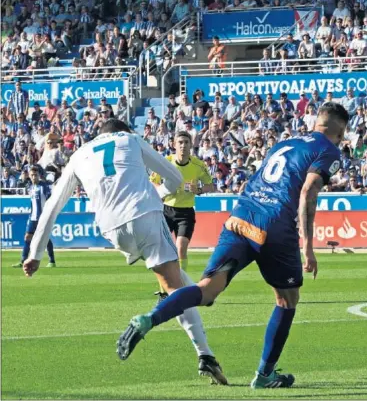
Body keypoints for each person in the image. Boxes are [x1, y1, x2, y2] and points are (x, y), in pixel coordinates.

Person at [117, 103, 349, 389]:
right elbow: (308, 192)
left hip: (241, 215)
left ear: (317, 122)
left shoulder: (285, 143)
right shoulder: (329, 150)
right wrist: (308, 247)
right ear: (340, 131)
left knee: (206, 290)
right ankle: (265, 374)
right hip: (275, 224)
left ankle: (149, 319)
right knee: (287, 300)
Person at [22, 119, 227, 386]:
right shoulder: (130, 139)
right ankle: (199, 348)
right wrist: (157, 194)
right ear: (123, 131)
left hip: (111, 230)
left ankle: (206, 352)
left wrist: (35, 253)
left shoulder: (78, 155)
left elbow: (52, 206)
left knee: (174, 283)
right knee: (176, 289)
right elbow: (174, 179)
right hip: (145, 214)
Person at [150, 131, 214, 301]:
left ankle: (181, 287)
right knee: (162, 250)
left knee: (180, 247)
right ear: (174, 144)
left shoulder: (198, 165)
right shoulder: (166, 162)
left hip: (186, 211)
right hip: (167, 210)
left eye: (186, 142)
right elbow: (153, 181)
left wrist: (198, 190)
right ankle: (164, 291)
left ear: (190, 145)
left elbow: (211, 185)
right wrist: (162, 190)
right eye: (180, 142)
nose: (183, 145)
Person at [11, 166, 56, 268]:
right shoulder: (30, 187)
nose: (33, 177)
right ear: (29, 176)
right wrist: (30, 215)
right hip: (33, 217)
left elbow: (50, 201)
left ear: (39, 175)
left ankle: (52, 261)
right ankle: (23, 260)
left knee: (45, 238)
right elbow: (32, 204)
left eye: (35, 175)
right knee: (27, 237)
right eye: (32, 175)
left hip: (43, 217)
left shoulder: (44, 187)